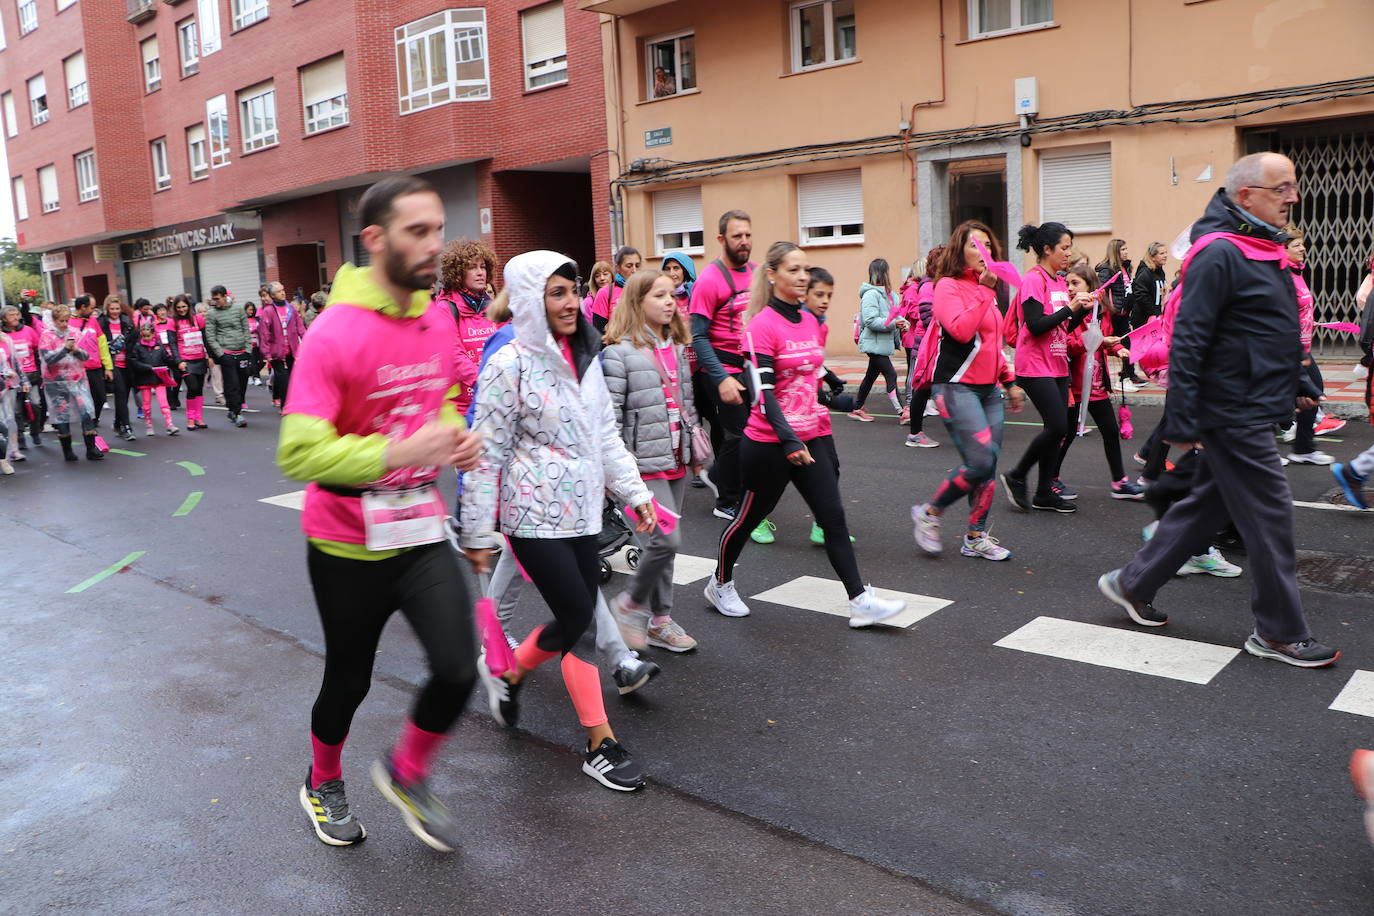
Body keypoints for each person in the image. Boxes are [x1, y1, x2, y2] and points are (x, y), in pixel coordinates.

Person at [276, 175, 483, 851]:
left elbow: (442, 397)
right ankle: (323, 780)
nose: (434, 245)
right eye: (417, 231)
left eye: (438, 230)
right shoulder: (333, 334)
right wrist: (398, 449)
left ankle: (406, 771)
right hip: (345, 541)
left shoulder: (438, 315)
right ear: (374, 239)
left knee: (458, 665)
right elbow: (299, 452)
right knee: (349, 678)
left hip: (419, 528)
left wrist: (454, 435)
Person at [1098, 151, 1338, 668]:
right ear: (1247, 196)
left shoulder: (1260, 247)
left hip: (1250, 403)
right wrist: (1182, 419)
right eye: (1281, 188)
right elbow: (1190, 340)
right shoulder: (1220, 252)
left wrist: (1296, 378)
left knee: (1206, 506)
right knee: (1272, 518)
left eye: (1293, 187)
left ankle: (1132, 582)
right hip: (1231, 410)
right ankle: (1277, 632)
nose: (1292, 197)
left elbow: (1266, 327)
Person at [460, 249, 656, 792]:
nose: (571, 302)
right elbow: (486, 452)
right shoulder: (509, 364)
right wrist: (477, 529)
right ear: (529, 300)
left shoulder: (585, 356)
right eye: (557, 293)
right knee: (584, 622)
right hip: (531, 518)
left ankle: (511, 673)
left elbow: (605, 436)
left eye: (573, 291)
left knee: (574, 620)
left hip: (583, 511)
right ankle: (600, 743)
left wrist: (635, 491)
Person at [706, 240, 906, 627]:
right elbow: (763, 396)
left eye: (804, 269)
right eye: (793, 270)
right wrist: (789, 439)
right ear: (772, 275)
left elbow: (809, 377)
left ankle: (860, 602)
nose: (801, 277)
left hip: (810, 435)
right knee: (749, 518)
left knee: (832, 517)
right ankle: (720, 583)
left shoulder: (810, 320)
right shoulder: (761, 325)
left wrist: (839, 400)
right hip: (768, 443)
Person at [911, 221, 1024, 560]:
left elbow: (993, 344)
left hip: (989, 391)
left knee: (987, 466)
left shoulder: (987, 293)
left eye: (988, 245)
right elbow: (960, 331)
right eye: (975, 245)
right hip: (955, 387)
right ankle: (929, 514)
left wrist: (1010, 382)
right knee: (979, 460)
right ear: (959, 249)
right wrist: (987, 292)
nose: (983, 252)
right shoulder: (947, 286)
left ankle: (975, 537)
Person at [603, 269, 703, 653]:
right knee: (666, 540)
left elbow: (688, 404)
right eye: (658, 295)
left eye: (672, 295)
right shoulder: (618, 354)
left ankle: (661, 621)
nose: (669, 301)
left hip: (675, 457)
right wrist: (616, 472)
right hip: (641, 467)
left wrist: (694, 454)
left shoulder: (677, 348)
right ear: (637, 302)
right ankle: (630, 606)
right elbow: (608, 418)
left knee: (666, 547)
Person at [1000, 221, 1090, 514]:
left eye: (1069, 247)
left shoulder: (1058, 281)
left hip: (1057, 363)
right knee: (1057, 426)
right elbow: (1036, 325)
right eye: (1064, 248)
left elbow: (1064, 326)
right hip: (1034, 365)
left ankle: (1043, 493)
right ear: (1047, 249)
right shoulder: (1033, 280)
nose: (1068, 253)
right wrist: (1071, 308)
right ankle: (1016, 474)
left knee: (1058, 430)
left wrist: (1081, 309)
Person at [1052, 265, 1144, 500]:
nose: (1070, 289)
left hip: (1097, 386)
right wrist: (1099, 341)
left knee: (1111, 432)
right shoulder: (1067, 314)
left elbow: (1108, 340)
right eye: (1068, 284)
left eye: (1076, 283)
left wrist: (1120, 348)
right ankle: (1051, 478)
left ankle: (1119, 482)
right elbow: (1067, 346)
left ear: (1091, 287)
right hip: (1073, 386)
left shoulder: (1101, 313)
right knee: (1068, 433)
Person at [690, 210, 755, 520]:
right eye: (736, 236)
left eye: (747, 235)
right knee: (739, 435)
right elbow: (698, 338)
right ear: (721, 239)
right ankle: (726, 501)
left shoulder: (757, 273)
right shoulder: (709, 280)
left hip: (751, 366)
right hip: (721, 368)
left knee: (758, 433)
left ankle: (719, 477)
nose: (744, 242)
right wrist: (721, 379)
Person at [661, 252, 710, 488]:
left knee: (712, 418)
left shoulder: (696, 295)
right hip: (677, 369)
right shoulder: (663, 299)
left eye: (676, 268)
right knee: (688, 418)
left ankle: (722, 468)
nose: (672, 273)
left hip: (700, 366)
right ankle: (695, 466)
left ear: (686, 270)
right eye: (668, 268)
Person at [435, 238, 498, 416]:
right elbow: (454, 356)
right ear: (458, 272)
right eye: (472, 267)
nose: (480, 273)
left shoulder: (491, 305)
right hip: (461, 410)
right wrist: (485, 381)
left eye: (483, 267)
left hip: (493, 403)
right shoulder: (446, 308)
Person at [38, 305, 104, 461]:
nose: (65, 324)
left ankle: (91, 448)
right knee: (62, 415)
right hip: (56, 382)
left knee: (86, 411)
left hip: (78, 379)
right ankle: (67, 450)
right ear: (54, 320)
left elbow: (86, 356)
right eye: (61, 321)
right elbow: (49, 360)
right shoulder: (46, 336)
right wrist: (65, 350)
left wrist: (75, 350)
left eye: (67, 320)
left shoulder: (75, 333)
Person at [849, 258, 905, 422]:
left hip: (883, 344)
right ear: (884, 273)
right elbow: (870, 321)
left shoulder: (891, 296)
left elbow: (897, 315)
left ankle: (857, 408)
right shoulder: (871, 295)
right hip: (873, 344)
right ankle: (902, 412)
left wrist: (904, 324)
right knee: (891, 374)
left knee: (871, 376)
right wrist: (894, 323)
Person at [898, 252, 941, 448]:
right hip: (925, 344)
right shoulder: (927, 286)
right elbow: (925, 315)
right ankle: (914, 432)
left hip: (930, 343)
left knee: (927, 388)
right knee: (920, 387)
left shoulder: (935, 284)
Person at [1123, 242, 1168, 392]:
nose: (1165, 256)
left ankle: (1148, 373)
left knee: (1154, 348)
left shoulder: (1159, 271)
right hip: (1143, 317)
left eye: (1165, 253)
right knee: (1139, 348)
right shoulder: (1145, 273)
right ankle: (1126, 375)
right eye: (1161, 253)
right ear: (1152, 256)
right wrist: (1153, 312)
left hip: (1155, 317)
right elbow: (1141, 295)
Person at [204, 285, 251, 427]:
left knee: (243, 382)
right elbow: (210, 336)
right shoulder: (212, 313)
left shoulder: (238, 309)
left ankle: (233, 408)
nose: (215, 301)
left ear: (225, 297)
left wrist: (248, 349)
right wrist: (220, 354)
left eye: (217, 299)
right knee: (232, 384)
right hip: (226, 354)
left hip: (242, 351)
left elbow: (246, 329)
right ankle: (236, 413)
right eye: (213, 299)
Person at [127, 319, 181, 437]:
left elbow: (166, 358)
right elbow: (134, 362)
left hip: (159, 378)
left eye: (148, 335)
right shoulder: (138, 347)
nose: (146, 338)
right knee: (146, 404)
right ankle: (149, 425)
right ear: (141, 334)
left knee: (163, 402)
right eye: (144, 336)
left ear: (153, 334)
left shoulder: (159, 346)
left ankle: (169, 424)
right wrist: (148, 367)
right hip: (145, 379)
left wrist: (176, 361)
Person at [258, 281, 306, 409]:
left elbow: (300, 327)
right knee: (283, 378)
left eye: (283, 290)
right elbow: (264, 333)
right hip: (276, 352)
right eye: (279, 291)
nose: (283, 293)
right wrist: (266, 353)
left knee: (291, 378)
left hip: (292, 350)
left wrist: (306, 341)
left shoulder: (290, 309)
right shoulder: (268, 311)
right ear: (273, 295)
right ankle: (285, 406)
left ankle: (290, 402)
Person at [68, 295, 114, 427]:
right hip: (77, 369)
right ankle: (88, 422)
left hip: (95, 367)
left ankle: (94, 419)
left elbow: (102, 344)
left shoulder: (93, 321)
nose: (94, 312)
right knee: (82, 400)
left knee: (100, 397)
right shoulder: (68, 321)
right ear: (82, 307)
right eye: (91, 308)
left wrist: (108, 367)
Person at [3, 304, 44, 447]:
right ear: (4, 319)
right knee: (17, 410)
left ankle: (35, 431)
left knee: (35, 404)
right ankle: (20, 437)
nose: (15, 317)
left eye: (16, 314)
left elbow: (39, 350)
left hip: (31, 376)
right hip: (12, 379)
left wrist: (40, 372)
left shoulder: (29, 331)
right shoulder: (3, 335)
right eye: (11, 315)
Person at [1095, 239, 1135, 384]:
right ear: (1115, 251)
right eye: (1123, 249)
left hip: (1124, 312)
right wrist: (1109, 308)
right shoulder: (1107, 269)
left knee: (1127, 343)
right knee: (1111, 344)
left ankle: (1127, 375)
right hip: (1113, 313)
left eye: (1126, 249)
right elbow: (1101, 289)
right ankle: (1122, 376)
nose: (1126, 252)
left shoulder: (1126, 267)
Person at [98, 297, 136, 441]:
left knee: (124, 396)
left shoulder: (126, 321)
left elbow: (133, 340)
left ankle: (117, 423)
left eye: (117, 309)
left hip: (126, 363)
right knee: (120, 393)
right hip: (112, 364)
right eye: (112, 309)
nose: (115, 312)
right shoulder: (101, 322)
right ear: (107, 309)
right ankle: (126, 427)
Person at [170, 295, 209, 431]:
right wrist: (178, 361)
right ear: (175, 308)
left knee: (199, 389)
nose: (181, 310)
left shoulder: (198, 319)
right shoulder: (172, 322)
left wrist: (210, 356)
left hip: (200, 358)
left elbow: (206, 338)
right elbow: (172, 344)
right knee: (192, 388)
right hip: (185, 360)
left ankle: (199, 417)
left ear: (189, 306)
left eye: (184, 306)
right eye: (179, 307)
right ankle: (190, 418)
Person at [590, 247, 641, 333]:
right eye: (629, 266)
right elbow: (598, 332)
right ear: (618, 268)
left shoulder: (646, 291)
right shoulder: (605, 293)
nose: (634, 270)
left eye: (637, 266)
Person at [0, 318, 25, 473]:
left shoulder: (5, 339)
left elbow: (12, 363)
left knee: (9, 419)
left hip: (5, 387)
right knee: (1, 423)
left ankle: (10, 454)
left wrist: (11, 374)